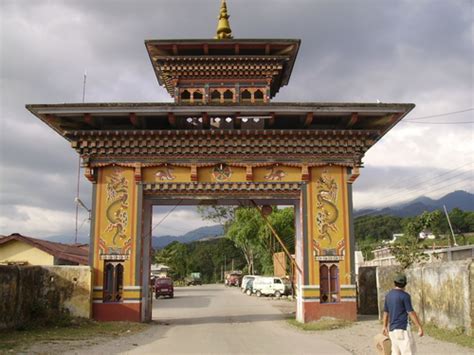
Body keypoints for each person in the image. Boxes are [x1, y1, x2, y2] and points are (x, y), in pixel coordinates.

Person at [382, 273, 424, 355]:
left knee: (395, 352)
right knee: (407, 352)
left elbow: (386, 312)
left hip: (392, 330)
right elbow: (410, 312)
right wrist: (419, 326)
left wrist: (384, 326)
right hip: (402, 329)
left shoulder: (388, 295)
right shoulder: (405, 296)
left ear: (394, 283)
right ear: (405, 284)